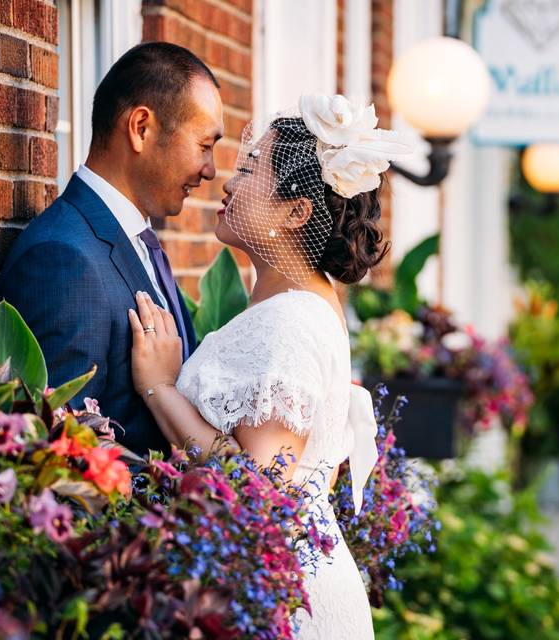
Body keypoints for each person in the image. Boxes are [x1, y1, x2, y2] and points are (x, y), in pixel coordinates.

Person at [128, 94, 412, 638]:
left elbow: (259, 488)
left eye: (250, 169)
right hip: (281, 583)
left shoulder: (289, 322)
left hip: (285, 601)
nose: (228, 183)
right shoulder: (304, 304)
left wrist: (160, 387)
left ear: (298, 211)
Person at [0, 42, 224, 455]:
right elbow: (62, 459)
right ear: (140, 128)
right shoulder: (62, 260)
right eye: (205, 146)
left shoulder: (139, 240)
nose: (210, 170)